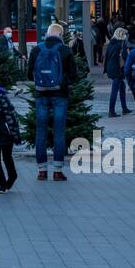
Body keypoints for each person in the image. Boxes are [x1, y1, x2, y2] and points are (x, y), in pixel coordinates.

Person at [30, 23, 76, 182]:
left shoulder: (37, 49)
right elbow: (74, 74)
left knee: (40, 132)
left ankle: (42, 171)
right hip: (60, 95)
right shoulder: (65, 50)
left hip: (41, 94)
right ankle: (57, 171)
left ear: (46, 34)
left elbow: (29, 74)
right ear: (61, 35)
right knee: (59, 132)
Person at [104, 27, 132, 117]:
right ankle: (111, 111)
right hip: (118, 69)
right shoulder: (122, 44)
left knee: (122, 87)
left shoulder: (110, 44)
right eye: (125, 34)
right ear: (122, 35)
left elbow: (106, 57)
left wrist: (105, 70)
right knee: (114, 90)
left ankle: (124, 108)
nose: (126, 36)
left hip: (111, 68)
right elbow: (125, 57)